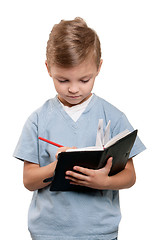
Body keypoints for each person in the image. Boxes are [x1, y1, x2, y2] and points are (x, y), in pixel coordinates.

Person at [13, 17, 146, 240]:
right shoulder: (38, 120)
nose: (74, 89)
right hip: (48, 233)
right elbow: (28, 180)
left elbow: (130, 176)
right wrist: (56, 167)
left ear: (99, 68)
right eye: (63, 80)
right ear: (48, 68)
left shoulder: (114, 116)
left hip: (99, 232)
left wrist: (105, 182)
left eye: (85, 79)